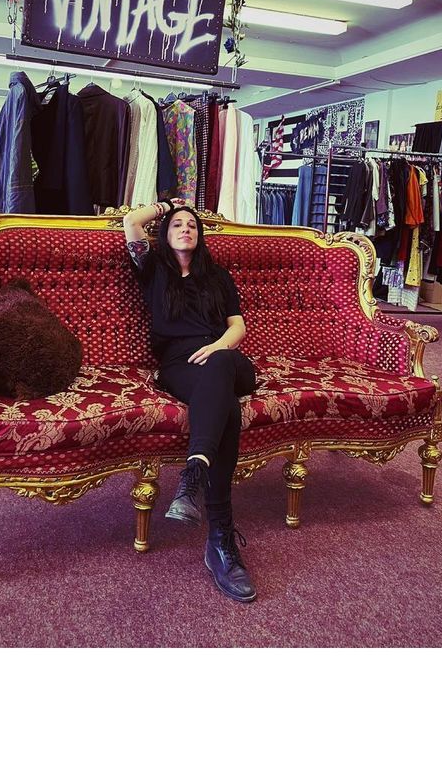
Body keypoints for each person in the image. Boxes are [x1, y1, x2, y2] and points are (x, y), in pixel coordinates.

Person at [122, 199, 259, 603]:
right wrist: (170, 204)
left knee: (222, 368)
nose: (186, 229)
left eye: (192, 225)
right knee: (225, 408)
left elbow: (238, 326)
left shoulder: (217, 276)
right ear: (165, 235)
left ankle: (193, 475)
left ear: (200, 236)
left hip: (226, 359)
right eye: (177, 225)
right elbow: (131, 220)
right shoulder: (153, 270)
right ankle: (220, 538)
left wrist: (217, 347)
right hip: (179, 365)